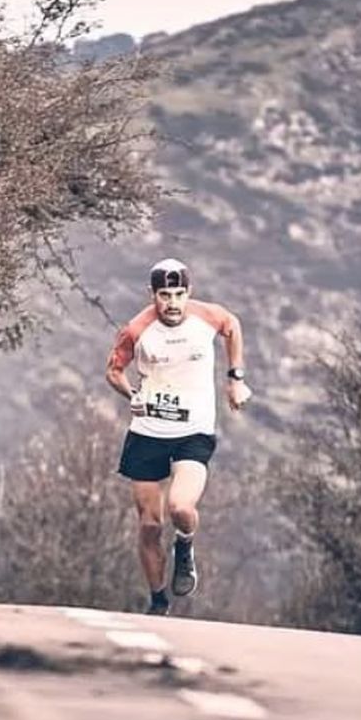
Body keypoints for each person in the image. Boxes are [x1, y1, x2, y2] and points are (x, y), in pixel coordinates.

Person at [105, 258, 252, 615]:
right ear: (152, 294)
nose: (172, 303)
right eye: (164, 295)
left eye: (179, 294)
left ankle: (184, 546)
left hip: (193, 431)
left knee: (181, 508)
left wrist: (235, 379)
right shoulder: (137, 329)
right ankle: (158, 600)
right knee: (150, 524)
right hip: (148, 433)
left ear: (189, 293)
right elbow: (113, 370)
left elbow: (232, 326)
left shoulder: (208, 316)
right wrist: (132, 395)